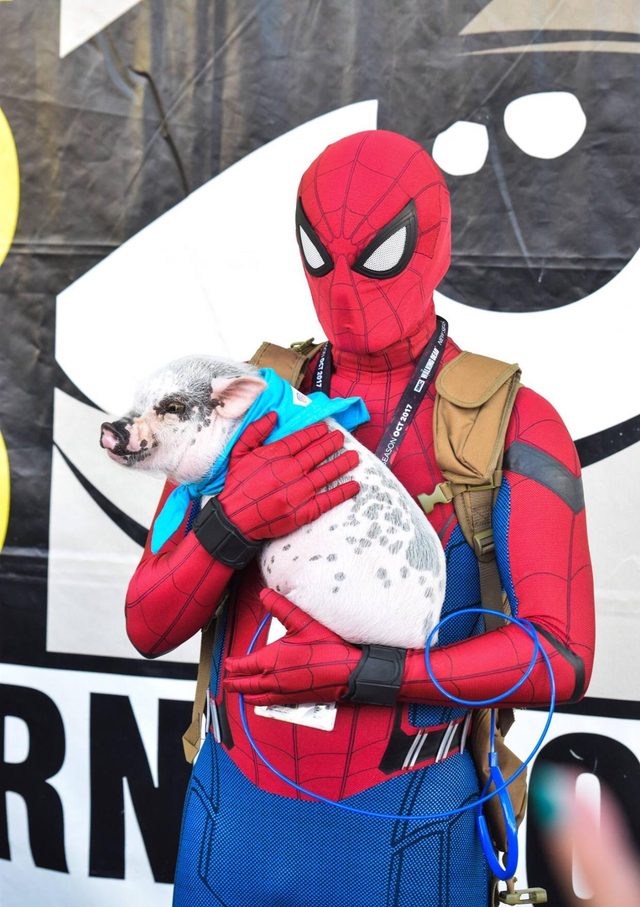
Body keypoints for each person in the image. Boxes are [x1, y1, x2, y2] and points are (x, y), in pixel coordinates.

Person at [125, 130, 595, 907]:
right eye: (320, 256)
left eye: (378, 256)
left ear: (435, 248)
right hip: (232, 810)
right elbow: (147, 621)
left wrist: (370, 677)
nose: (343, 292)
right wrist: (233, 519)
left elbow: (562, 658)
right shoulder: (250, 397)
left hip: (407, 821)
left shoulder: (511, 425)